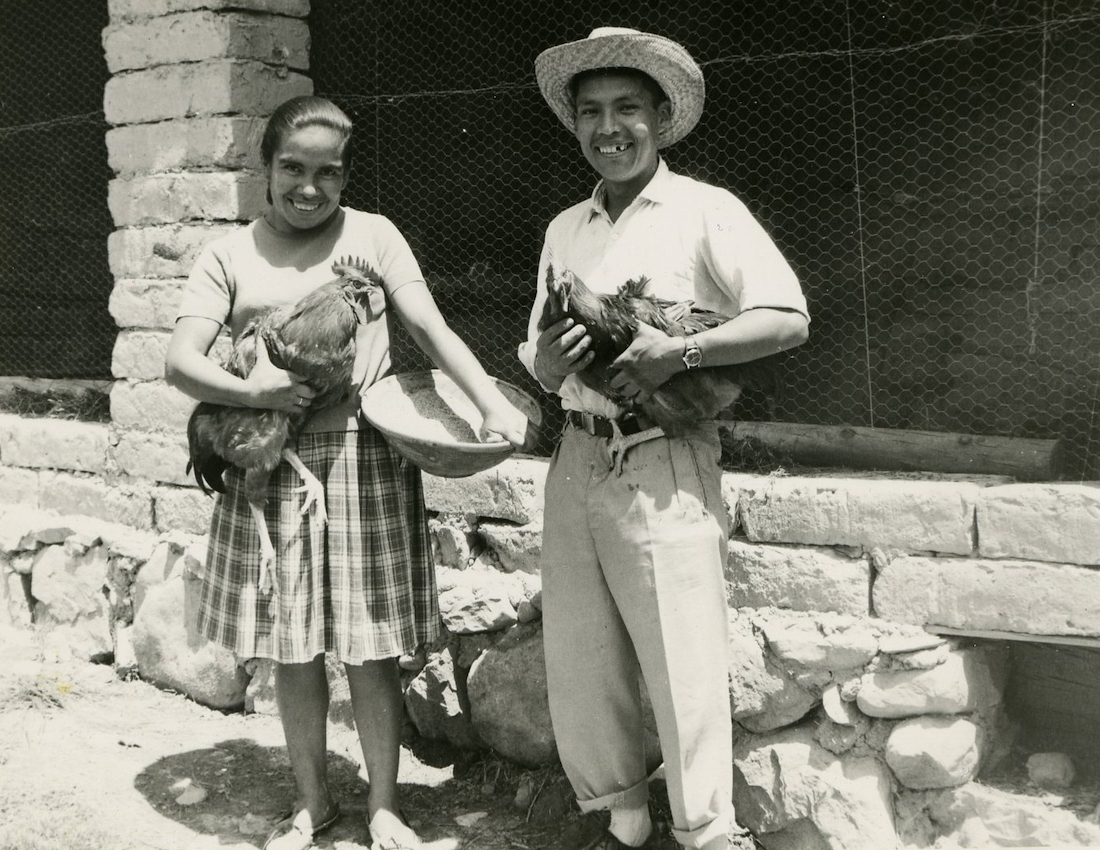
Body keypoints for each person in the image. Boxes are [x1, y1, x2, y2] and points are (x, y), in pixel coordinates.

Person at [165, 95, 531, 850]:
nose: (310, 186)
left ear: (345, 175)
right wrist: (253, 392)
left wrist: (492, 407)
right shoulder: (229, 255)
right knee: (292, 647)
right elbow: (180, 361)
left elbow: (429, 326)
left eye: (327, 172)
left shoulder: (373, 235)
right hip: (271, 466)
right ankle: (312, 803)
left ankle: (385, 807)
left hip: (365, 455)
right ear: (264, 168)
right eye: (293, 168)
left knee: (370, 646)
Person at [519, 28, 810, 850]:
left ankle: (706, 833)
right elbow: (538, 357)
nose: (609, 128)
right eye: (591, 113)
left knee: (681, 661)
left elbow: (787, 317)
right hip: (576, 452)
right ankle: (621, 820)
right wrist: (544, 360)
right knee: (583, 656)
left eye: (626, 109)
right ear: (574, 124)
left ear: (659, 116)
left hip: (663, 453)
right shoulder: (564, 228)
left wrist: (676, 352)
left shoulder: (706, 210)